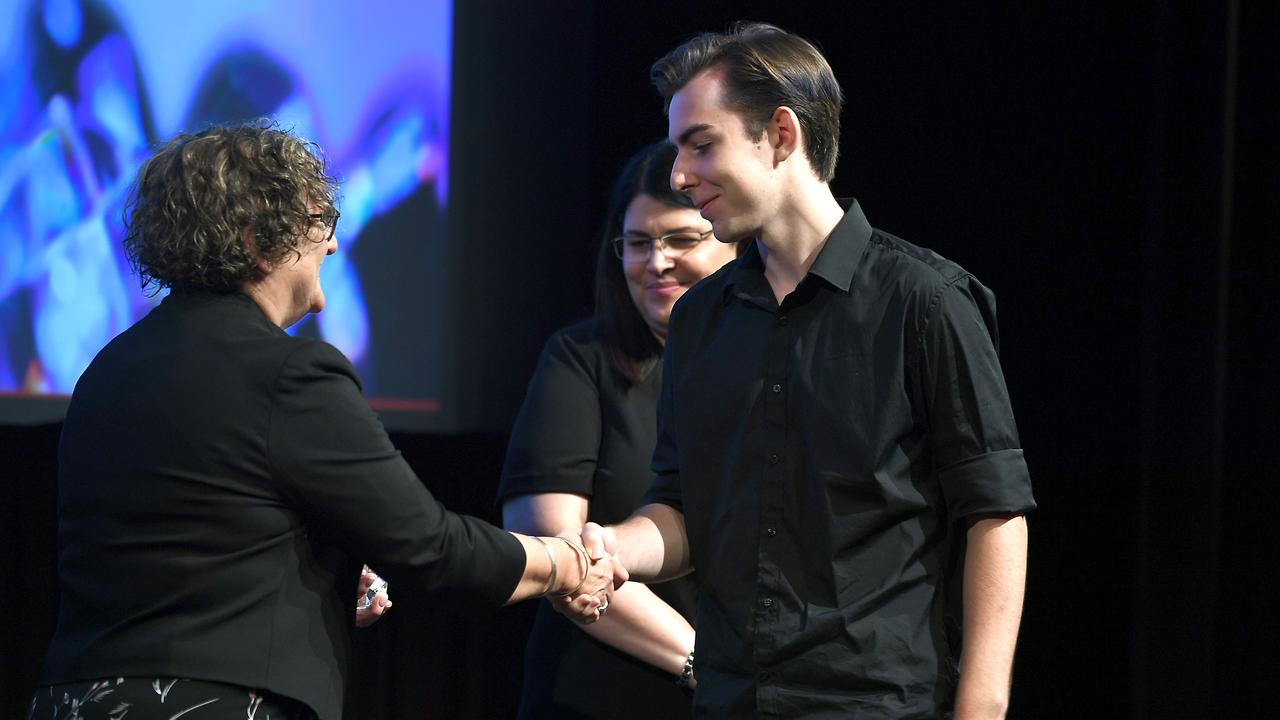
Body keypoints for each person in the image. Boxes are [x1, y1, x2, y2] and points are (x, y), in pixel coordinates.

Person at [29, 121, 621, 720]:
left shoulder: (107, 369)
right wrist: (564, 563)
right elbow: (432, 549)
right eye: (319, 223)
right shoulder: (291, 371)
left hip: (78, 699)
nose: (332, 246)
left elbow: (193, 542)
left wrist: (321, 584)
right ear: (260, 240)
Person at [568, 22, 1036, 719]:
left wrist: (982, 706)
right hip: (732, 699)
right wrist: (617, 550)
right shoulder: (701, 319)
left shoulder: (924, 301)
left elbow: (994, 510)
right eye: (677, 151)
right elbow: (681, 510)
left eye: (701, 144)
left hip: (877, 703)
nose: (678, 175)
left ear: (782, 135)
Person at [498, 140, 741, 719]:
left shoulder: (770, 363)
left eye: (681, 239)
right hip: (604, 693)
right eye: (637, 243)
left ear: (736, 242)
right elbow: (554, 547)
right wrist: (702, 665)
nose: (655, 262)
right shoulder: (580, 359)